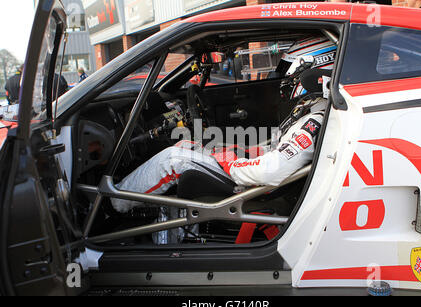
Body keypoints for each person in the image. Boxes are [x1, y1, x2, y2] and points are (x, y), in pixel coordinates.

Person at [111, 37, 334, 213]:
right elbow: (277, 149)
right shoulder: (312, 112)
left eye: (289, 69)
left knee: (172, 159)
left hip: (257, 185)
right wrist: (233, 151)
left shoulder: (313, 121)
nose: (285, 77)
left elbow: (270, 171)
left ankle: (113, 203)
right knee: (189, 145)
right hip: (253, 173)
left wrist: (230, 161)